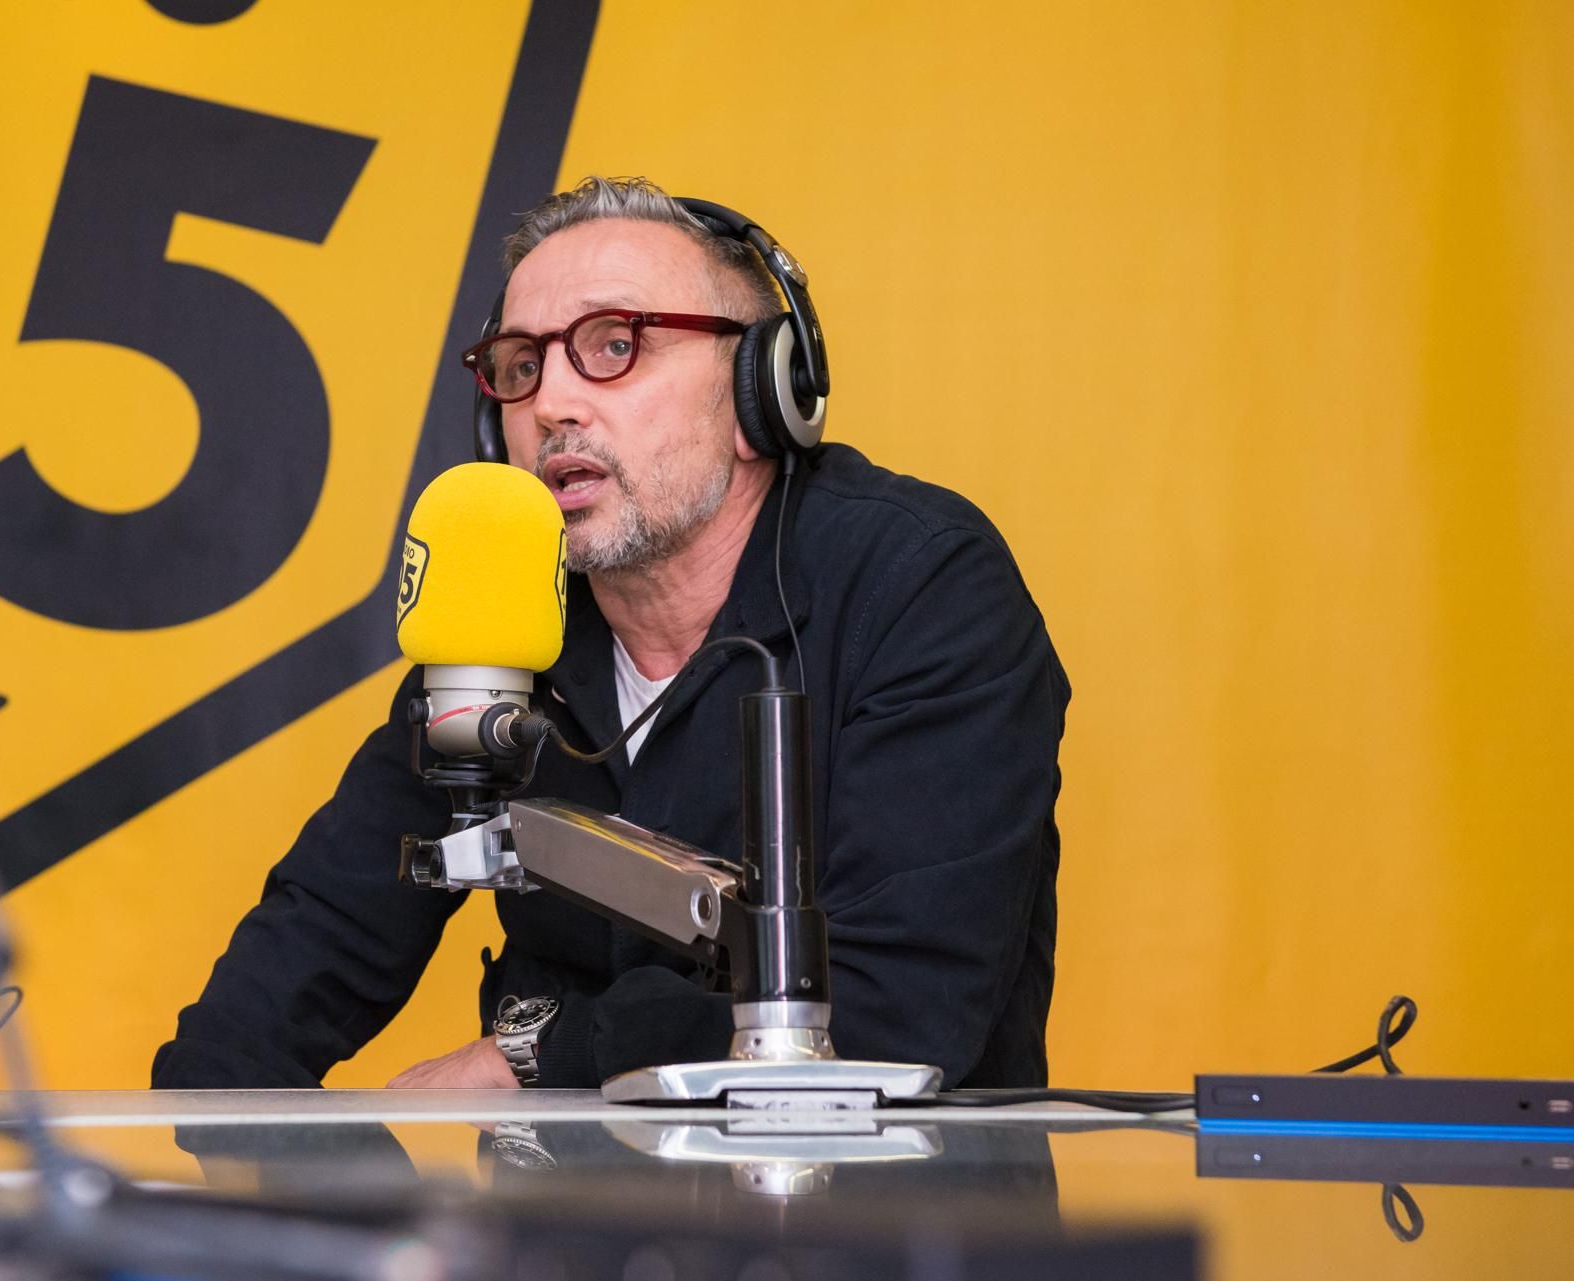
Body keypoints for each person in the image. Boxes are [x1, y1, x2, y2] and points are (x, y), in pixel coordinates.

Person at [153, 177, 1069, 1092]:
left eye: (614, 346)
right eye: (520, 365)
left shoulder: (920, 587)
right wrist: (183, 1133)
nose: (550, 403)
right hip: (554, 1190)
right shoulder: (506, 619)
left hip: (871, 1181)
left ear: (760, 392)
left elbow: (895, 1012)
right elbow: (315, 937)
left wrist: (537, 1055)